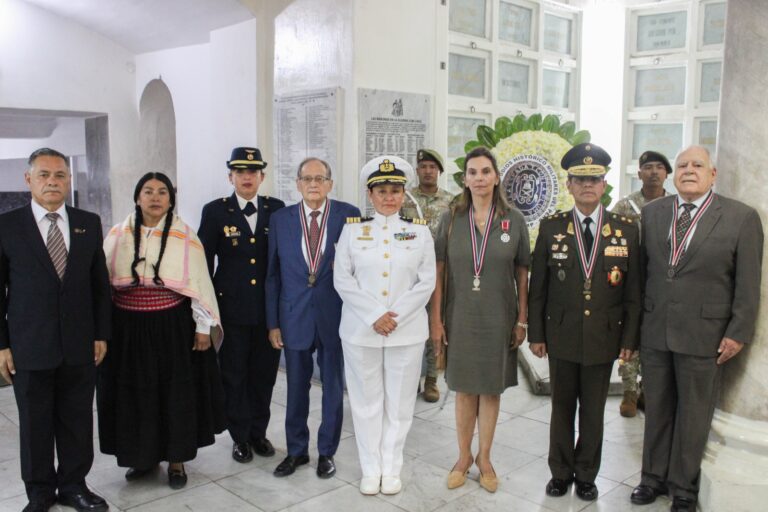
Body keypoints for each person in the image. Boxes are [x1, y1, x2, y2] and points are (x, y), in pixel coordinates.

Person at [630, 146, 763, 512]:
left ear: (713, 174)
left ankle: (683, 486)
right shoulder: (653, 213)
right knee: (656, 407)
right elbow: (643, 275)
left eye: (697, 165)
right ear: (675, 175)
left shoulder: (740, 217)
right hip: (656, 330)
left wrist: (738, 331)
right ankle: (651, 478)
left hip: (706, 335)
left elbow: (748, 283)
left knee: (694, 412)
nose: (689, 170)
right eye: (683, 165)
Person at [528, 143, 641, 502]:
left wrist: (629, 339)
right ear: (570, 185)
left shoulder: (625, 230)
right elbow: (538, 290)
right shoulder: (551, 228)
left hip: (604, 338)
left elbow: (634, 292)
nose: (587, 186)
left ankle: (587, 474)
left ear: (604, 184)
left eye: (594, 179)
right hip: (560, 334)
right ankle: (560, 473)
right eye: (580, 179)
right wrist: (537, 334)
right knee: (561, 408)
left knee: (593, 410)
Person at [0, 148, 111, 512]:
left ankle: (75, 486)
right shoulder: (8, 226)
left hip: (79, 343)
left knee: (77, 419)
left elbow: (99, 286)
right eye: (44, 174)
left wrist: (101, 334)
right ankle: (40, 493)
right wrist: (1, 345)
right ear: (28, 179)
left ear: (69, 179)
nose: (52, 181)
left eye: (60, 175)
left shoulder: (88, 222)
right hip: (29, 345)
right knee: (35, 424)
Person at [98, 172, 226, 489]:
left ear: (171, 199)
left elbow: (199, 285)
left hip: (173, 329)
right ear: (137, 197)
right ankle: (143, 458)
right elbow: (102, 287)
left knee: (175, 394)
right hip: (127, 330)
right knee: (136, 395)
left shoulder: (186, 236)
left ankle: (177, 460)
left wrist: (202, 328)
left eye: (162, 192)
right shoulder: (117, 235)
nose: (155, 197)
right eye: (148, 191)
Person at [429, 146, 530, 493]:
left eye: (486, 171)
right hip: (459, 316)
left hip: (498, 316)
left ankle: (484, 458)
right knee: (463, 390)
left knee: (490, 390)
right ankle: (462, 457)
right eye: (473, 172)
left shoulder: (513, 220)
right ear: (465, 179)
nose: (479, 178)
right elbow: (439, 272)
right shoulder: (451, 218)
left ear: (496, 176)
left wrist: (522, 319)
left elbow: (522, 273)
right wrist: (437, 321)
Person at [333, 156, 436, 495]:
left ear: (404, 193)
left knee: (400, 404)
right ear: (370, 194)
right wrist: (374, 314)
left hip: (405, 333)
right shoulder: (352, 230)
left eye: (395, 190)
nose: (389, 197)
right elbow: (342, 280)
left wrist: (395, 316)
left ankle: (392, 468)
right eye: (382, 191)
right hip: (361, 331)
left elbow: (427, 282)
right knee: (365, 403)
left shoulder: (419, 233)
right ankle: (370, 468)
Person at [265, 158, 361, 479]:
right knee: (295, 387)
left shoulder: (349, 216)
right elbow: (272, 275)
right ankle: (296, 451)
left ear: (330, 184)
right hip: (294, 317)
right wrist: (273, 323)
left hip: (334, 315)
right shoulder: (280, 220)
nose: (313, 184)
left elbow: (359, 268)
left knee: (333, 386)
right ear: (298, 184)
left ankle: (326, 453)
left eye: (320, 178)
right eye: (307, 178)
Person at [198, 147, 285, 463]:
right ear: (230, 176)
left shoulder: (277, 209)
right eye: (240, 172)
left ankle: (258, 433)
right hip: (230, 311)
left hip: (267, 312)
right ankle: (239, 437)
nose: (247, 177)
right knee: (234, 376)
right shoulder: (215, 211)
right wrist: (204, 313)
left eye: (253, 172)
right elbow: (203, 264)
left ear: (262, 176)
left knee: (264, 376)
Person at [611, 150, 671, 417]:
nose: (654, 172)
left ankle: (648, 390)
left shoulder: (677, 205)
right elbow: (610, 241)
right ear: (639, 174)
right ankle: (629, 392)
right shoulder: (625, 206)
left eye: (659, 167)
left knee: (656, 336)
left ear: (667, 173)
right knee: (631, 334)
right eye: (648, 167)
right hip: (630, 281)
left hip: (663, 282)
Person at [400, 148, 454, 403]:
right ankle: (412, 378)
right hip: (410, 272)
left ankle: (432, 378)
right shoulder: (405, 199)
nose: (428, 171)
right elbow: (397, 232)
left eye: (433, 167)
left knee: (436, 321)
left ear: (440, 172)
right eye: (424, 167)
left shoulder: (452, 201)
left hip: (440, 270)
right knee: (410, 321)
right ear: (418, 170)